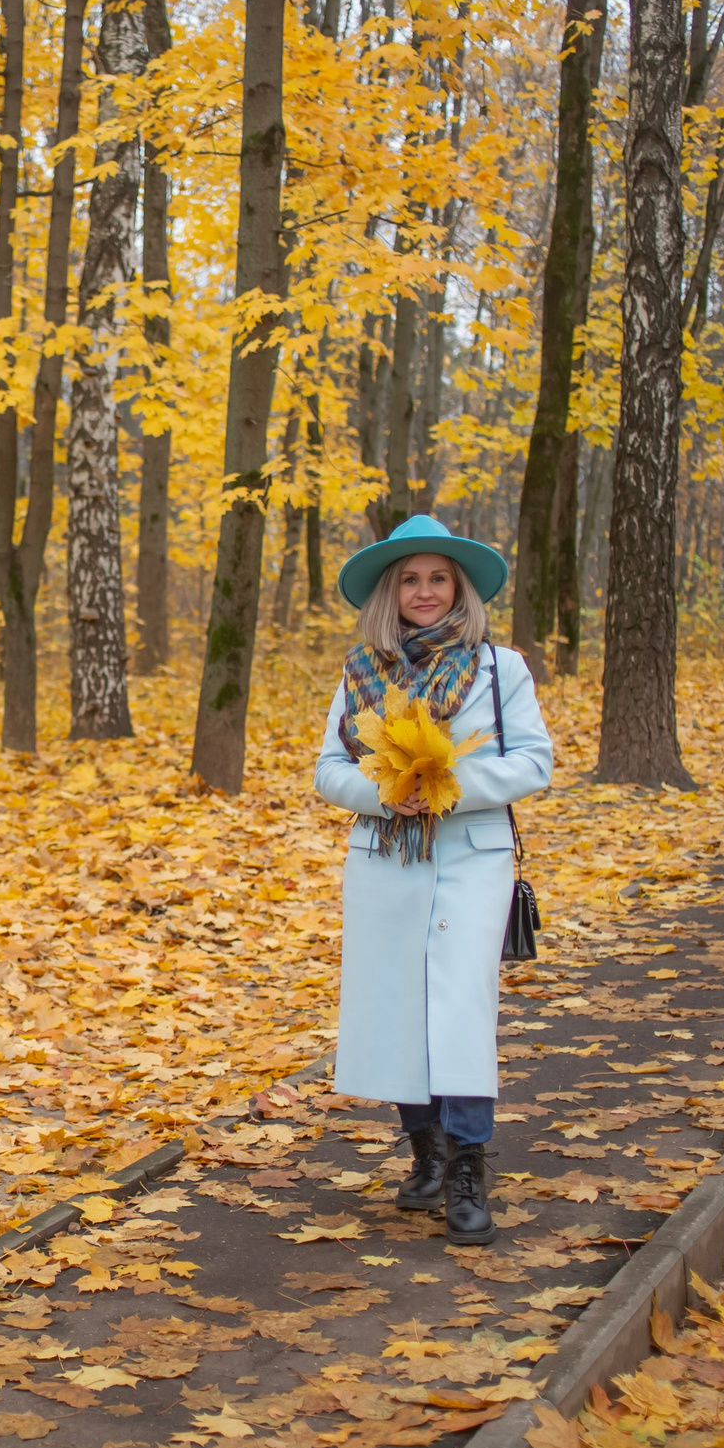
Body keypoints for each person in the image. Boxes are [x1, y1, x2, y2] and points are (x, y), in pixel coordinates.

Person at [282, 514, 553, 1246]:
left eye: (439, 578)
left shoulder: (502, 668)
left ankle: (469, 1162)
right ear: (389, 591)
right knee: (400, 1008)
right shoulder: (362, 672)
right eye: (411, 579)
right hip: (385, 859)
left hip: (473, 853)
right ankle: (424, 1151)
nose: (425, 591)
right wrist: (383, 792)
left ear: (459, 587)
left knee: (460, 1006)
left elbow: (535, 763)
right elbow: (328, 772)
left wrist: (448, 782)